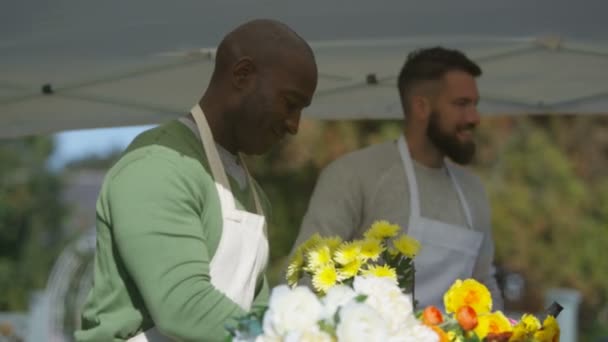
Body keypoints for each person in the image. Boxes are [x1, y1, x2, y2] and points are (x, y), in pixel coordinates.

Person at [75, 19, 317, 341]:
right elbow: (183, 305)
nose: (294, 125)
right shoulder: (157, 166)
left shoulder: (254, 195)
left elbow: (253, 311)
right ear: (242, 75)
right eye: (290, 103)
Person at [289, 46, 503, 311]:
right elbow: (305, 276)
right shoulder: (354, 175)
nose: (474, 117)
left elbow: (483, 287)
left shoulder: (473, 191)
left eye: (475, 104)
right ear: (421, 106)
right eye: (461, 104)